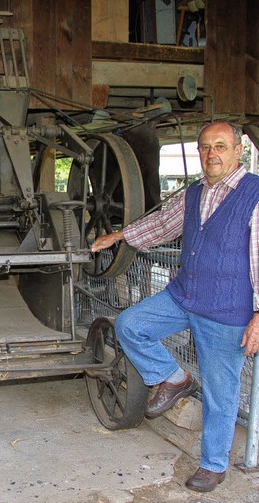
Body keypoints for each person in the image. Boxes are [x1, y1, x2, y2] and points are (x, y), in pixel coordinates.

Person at [92, 121, 259, 493]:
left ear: (237, 151)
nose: (211, 154)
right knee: (131, 324)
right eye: (204, 147)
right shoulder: (195, 192)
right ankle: (174, 377)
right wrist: (119, 235)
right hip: (184, 295)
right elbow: (162, 225)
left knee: (221, 392)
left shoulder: (254, 195)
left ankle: (213, 465)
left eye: (220, 146)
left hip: (226, 310)